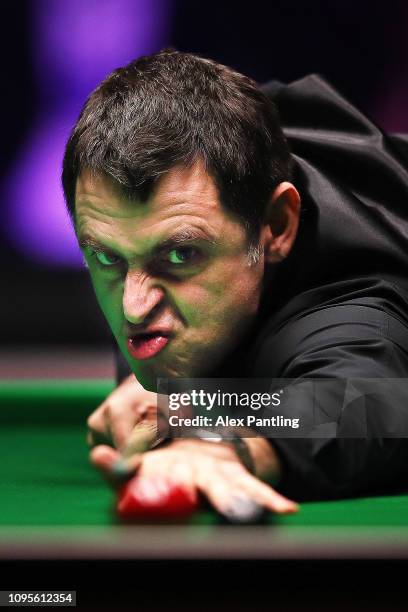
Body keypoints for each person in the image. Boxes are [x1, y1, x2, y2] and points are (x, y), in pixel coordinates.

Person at [62, 49, 408, 518]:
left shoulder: (354, 301)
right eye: (107, 257)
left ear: (276, 226)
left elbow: (372, 400)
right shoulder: (231, 147)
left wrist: (220, 444)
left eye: (180, 255)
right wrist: (180, 397)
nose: (133, 307)